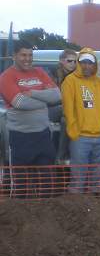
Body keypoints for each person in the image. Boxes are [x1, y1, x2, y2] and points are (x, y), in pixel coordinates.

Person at [0, 39, 61, 198]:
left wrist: (33, 93)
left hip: (42, 134)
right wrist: (43, 100)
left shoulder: (40, 72)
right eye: (23, 55)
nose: (27, 59)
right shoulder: (7, 76)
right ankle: (18, 219)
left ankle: (44, 217)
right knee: (20, 186)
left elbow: (56, 96)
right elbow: (19, 102)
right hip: (20, 137)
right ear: (15, 56)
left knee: (47, 182)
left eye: (30, 55)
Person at [61, 48, 100, 194]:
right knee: (78, 180)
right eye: (83, 62)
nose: (87, 66)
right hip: (81, 138)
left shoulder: (99, 82)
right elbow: (68, 111)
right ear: (79, 63)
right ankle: (76, 211)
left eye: (90, 62)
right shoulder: (70, 81)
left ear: (95, 64)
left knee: (98, 181)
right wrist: (74, 133)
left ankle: (94, 210)